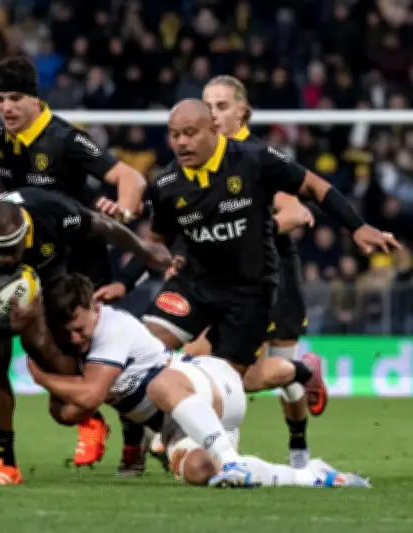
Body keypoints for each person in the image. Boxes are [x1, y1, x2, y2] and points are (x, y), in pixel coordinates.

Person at [97, 98, 398, 456]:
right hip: (193, 284)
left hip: (248, 291)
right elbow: (156, 244)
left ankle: (295, 372)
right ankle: (154, 438)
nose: (181, 142)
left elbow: (315, 187)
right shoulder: (167, 184)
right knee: (139, 348)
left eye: (190, 133)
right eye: (175, 135)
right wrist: (125, 282)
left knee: (229, 382)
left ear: (214, 130)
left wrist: (358, 227)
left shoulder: (255, 159)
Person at [0, 56, 150, 470]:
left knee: (90, 353)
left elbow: (130, 177)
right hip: (21, 257)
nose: (5, 107)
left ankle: (129, 433)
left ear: (36, 100)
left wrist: (125, 210)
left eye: (15, 98)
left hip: (78, 259)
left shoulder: (67, 140)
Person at [25, 273, 371, 489]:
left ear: (95, 308)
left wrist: (43, 377)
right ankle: (311, 476)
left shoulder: (110, 327)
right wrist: (56, 389)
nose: (74, 339)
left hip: (204, 383)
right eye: (66, 333)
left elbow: (87, 397)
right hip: (181, 424)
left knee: (166, 384)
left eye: (78, 328)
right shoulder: (83, 346)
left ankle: (302, 370)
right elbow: (68, 413)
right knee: (200, 472)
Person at [0, 187, 171, 485]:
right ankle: (5, 464)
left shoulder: (52, 212)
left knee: (57, 342)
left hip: (55, 274)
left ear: (26, 233)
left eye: (12, 249)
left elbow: (102, 225)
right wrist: (6, 327)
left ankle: (117, 417)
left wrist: (143, 250)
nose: (4, 259)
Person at [200, 75, 318, 467]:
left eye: (221, 106)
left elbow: (294, 212)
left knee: (283, 385)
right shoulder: (202, 157)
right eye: (208, 106)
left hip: (275, 275)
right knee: (224, 369)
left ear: (242, 111)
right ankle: (219, 449)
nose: (213, 115)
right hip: (229, 282)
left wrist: (243, 229)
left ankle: (298, 446)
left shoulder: (256, 155)